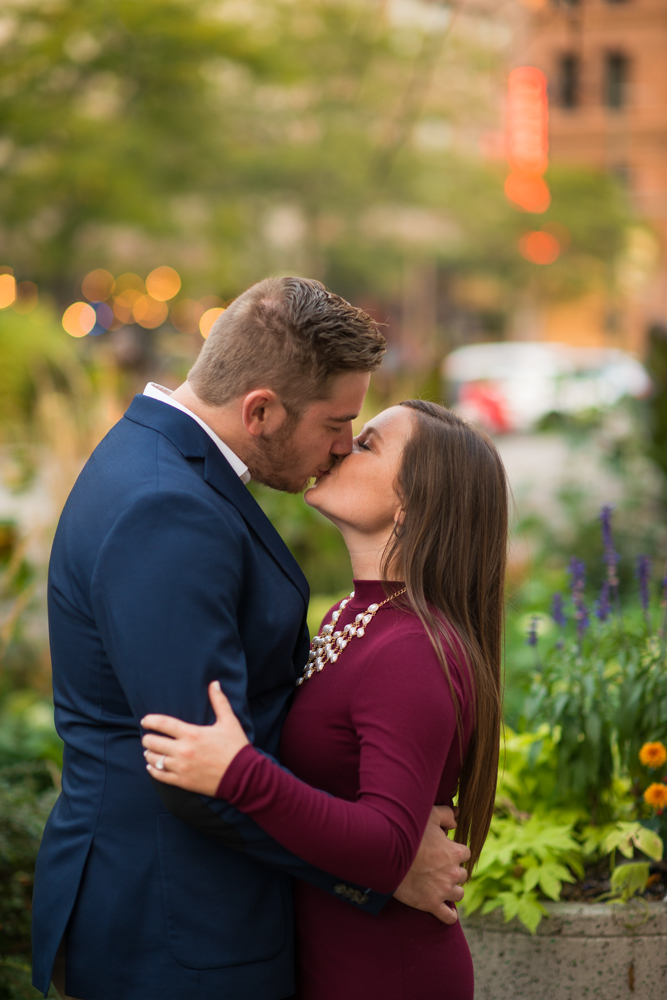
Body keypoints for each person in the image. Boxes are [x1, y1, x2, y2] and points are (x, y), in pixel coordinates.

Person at [32, 277, 471, 1000]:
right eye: (337, 424)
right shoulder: (168, 507)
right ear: (260, 410)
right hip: (176, 927)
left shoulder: (159, 461)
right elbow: (195, 770)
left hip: (179, 910)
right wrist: (385, 869)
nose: (337, 449)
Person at [142, 399, 508, 1000]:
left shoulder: (412, 648)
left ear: (411, 502)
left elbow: (390, 845)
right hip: (327, 957)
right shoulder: (354, 613)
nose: (339, 447)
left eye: (364, 444)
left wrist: (240, 775)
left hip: (384, 971)